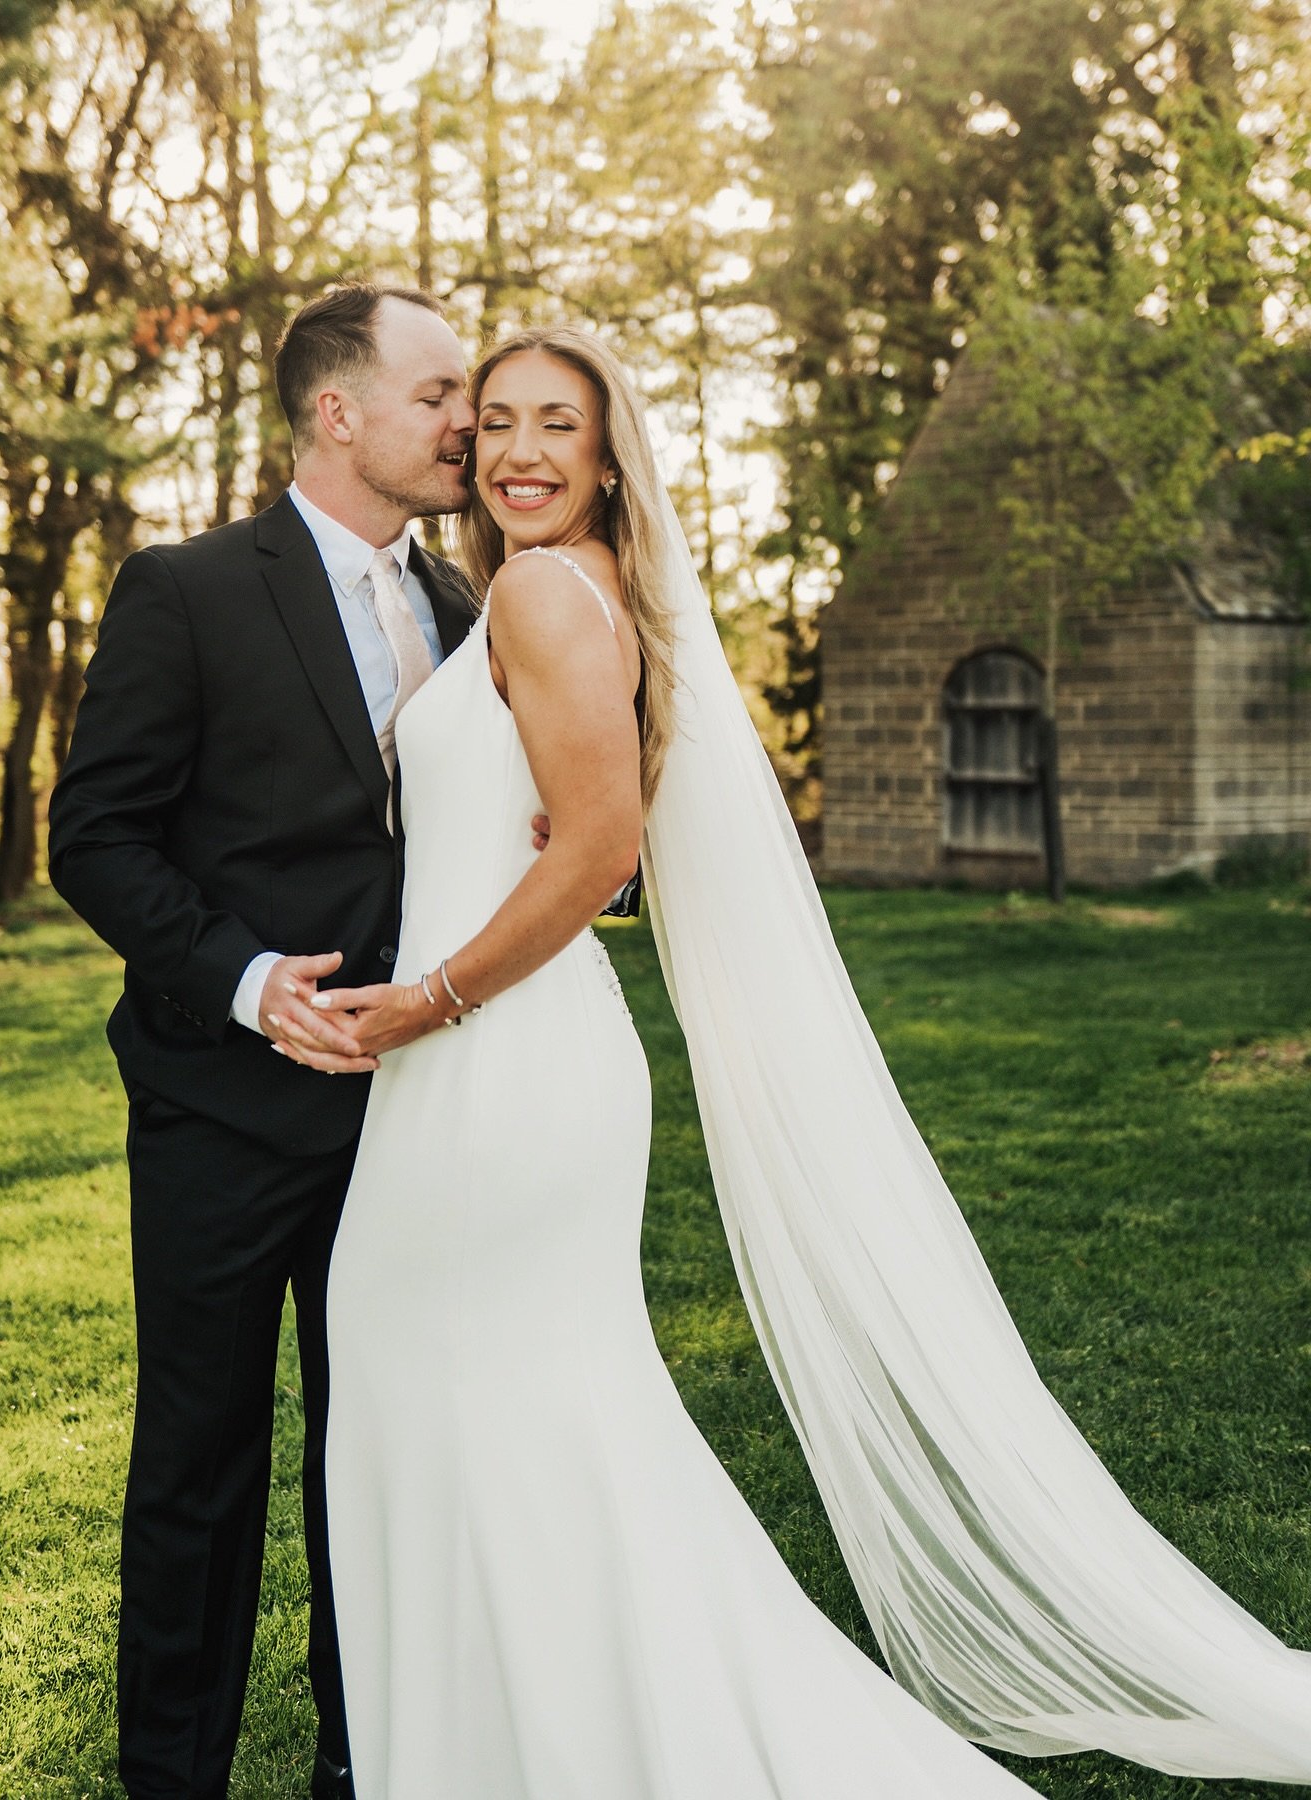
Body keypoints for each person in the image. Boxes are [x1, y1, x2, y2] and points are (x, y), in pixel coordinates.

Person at [276, 326, 1311, 1800]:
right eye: (491, 417)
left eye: (553, 425)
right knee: (525, 1421)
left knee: (464, 1395)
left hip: (490, 1067)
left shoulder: (538, 592)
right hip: (499, 1061)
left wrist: (424, 999)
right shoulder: (555, 591)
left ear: (605, 450)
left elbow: (603, 850)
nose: (513, 449)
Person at [49, 282, 507, 1800]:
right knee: (203, 1462)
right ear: (338, 411)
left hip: (413, 1111)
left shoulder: (467, 606)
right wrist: (248, 984)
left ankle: (364, 1767)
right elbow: (95, 836)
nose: (469, 420)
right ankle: (171, 1776)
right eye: (440, 393)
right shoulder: (183, 589)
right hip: (219, 1107)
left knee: (375, 1463)